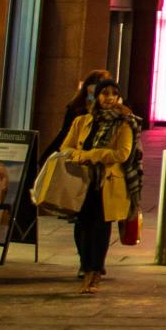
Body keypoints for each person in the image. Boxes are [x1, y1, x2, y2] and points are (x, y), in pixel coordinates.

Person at [33, 76, 138, 294]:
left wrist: (89, 155)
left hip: (106, 183)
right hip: (80, 182)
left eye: (113, 94)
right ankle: (85, 264)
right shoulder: (82, 121)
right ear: (96, 96)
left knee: (100, 228)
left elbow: (122, 153)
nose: (109, 98)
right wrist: (82, 156)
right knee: (82, 226)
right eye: (104, 93)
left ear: (119, 97)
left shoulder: (125, 123)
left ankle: (95, 272)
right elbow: (66, 147)